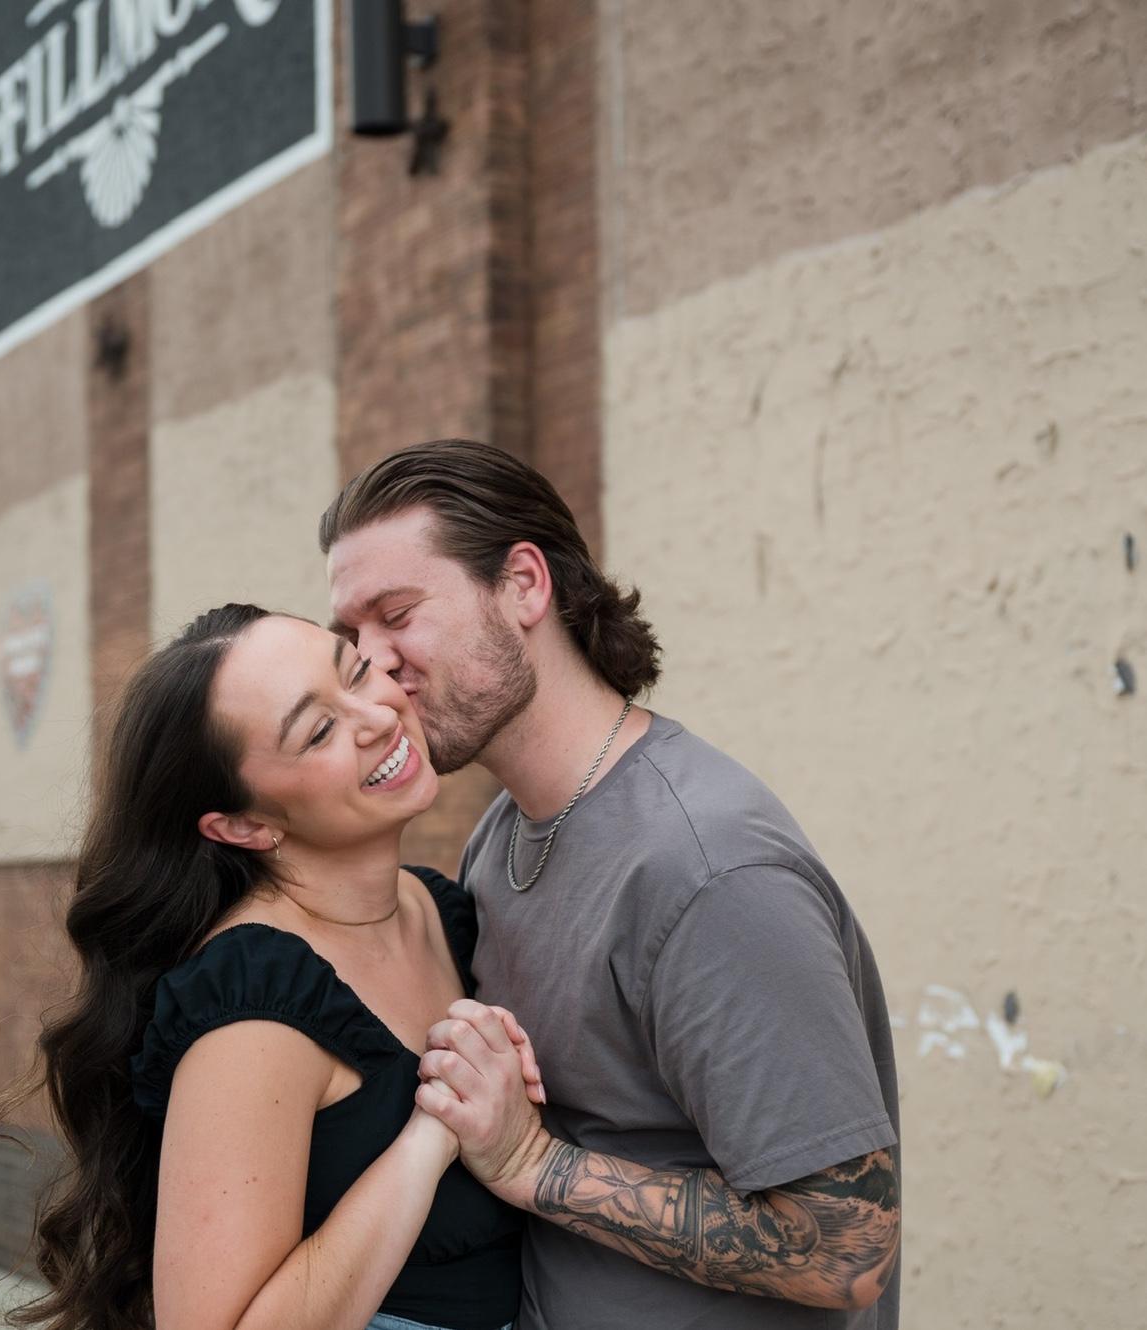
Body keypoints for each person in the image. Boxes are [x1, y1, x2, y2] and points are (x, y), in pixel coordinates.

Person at [321, 440, 903, 1330]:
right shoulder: (504, 834)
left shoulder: (705, 867)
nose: (372, 665)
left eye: (396, 613)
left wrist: (531, 1163)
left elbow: (847, 1249)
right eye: (350, 638)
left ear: (524, 584)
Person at [0, 603, 541, 1330]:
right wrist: (432, 1135)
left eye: (356, 671)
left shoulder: (443, 912)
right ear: (245, 824)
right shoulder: (253, 1006)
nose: (375, 716)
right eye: (317, 731)